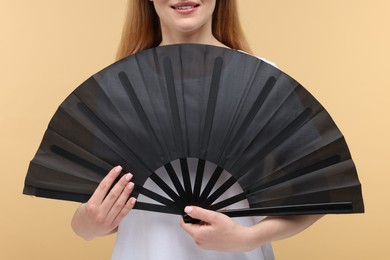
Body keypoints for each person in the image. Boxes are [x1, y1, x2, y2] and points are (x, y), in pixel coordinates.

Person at [71, 0, 323, 259]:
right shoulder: (120, 86)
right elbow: (92, 211)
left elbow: (319, 189)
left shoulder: (261, 79)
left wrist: (248, 237)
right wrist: (87, 225)